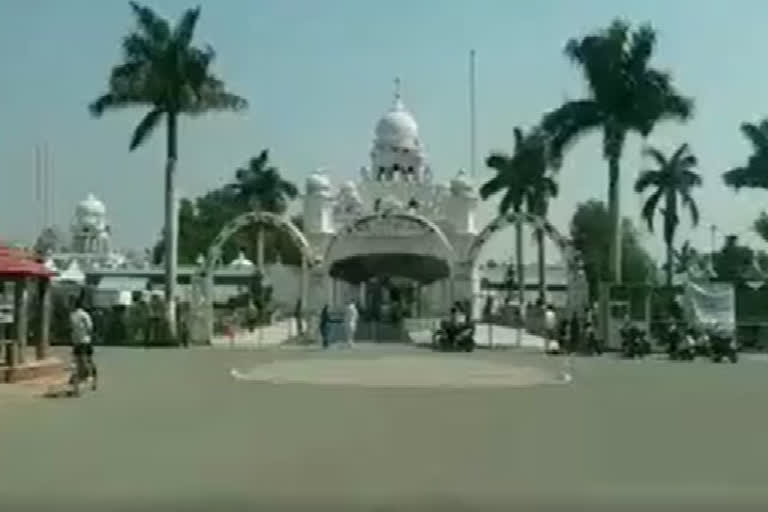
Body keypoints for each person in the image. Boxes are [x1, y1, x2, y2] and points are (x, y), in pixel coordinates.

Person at [69, 298, 97, 394]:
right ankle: (78, 377)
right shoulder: (72, 315)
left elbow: (90, 327)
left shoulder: (83, 315)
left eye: (71, 303)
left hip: (85, 341)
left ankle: (91, 376)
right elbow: (71, 327)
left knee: (87, 359)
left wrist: (87, 335)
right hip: (76, 341)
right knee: (76, 359)